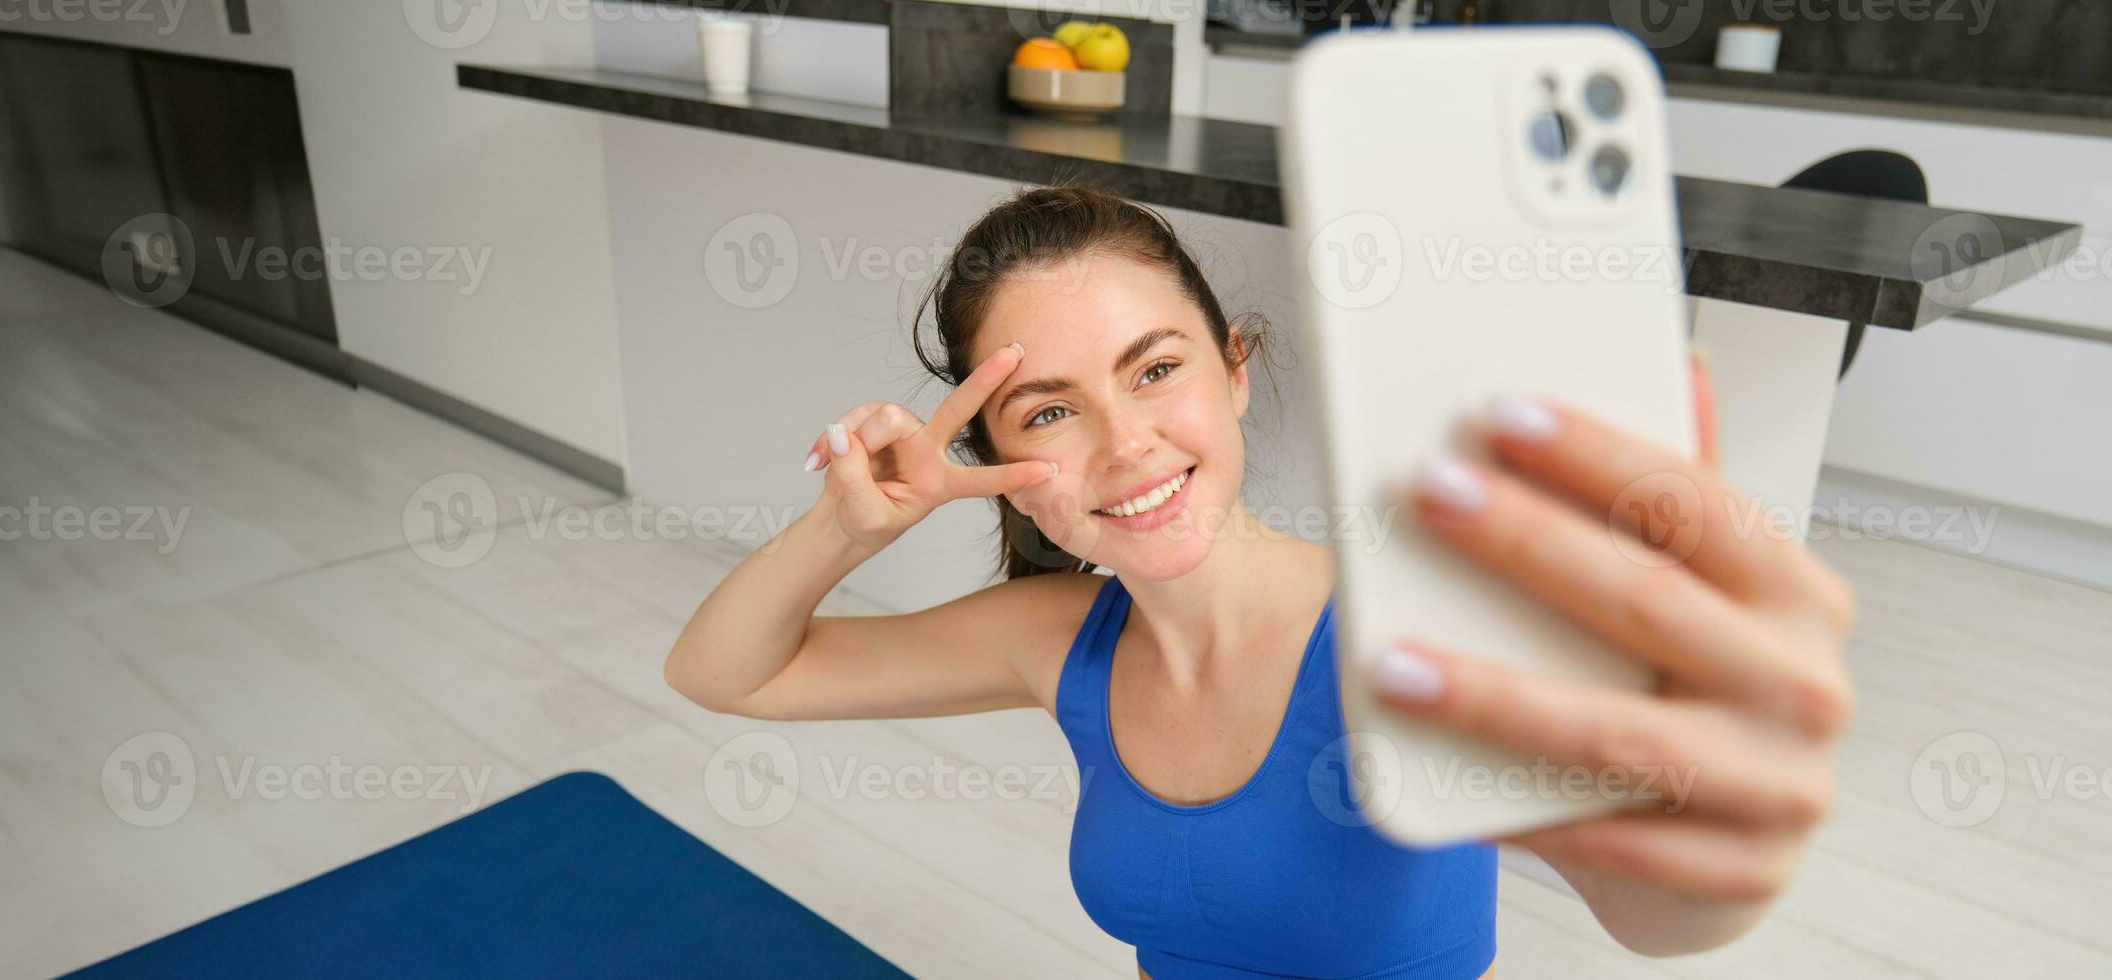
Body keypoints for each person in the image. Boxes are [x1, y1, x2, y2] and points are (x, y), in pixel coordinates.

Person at [664, 185, 1857, 978]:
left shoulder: (1405, 626)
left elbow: (1655, 910)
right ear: (1004, 473)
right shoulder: (1057, 636)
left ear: (1234, 369)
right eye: (1048, 410)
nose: (1125, 444)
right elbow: (724, 671)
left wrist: (1714, 828)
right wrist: (848, 524)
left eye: (1155, 368)